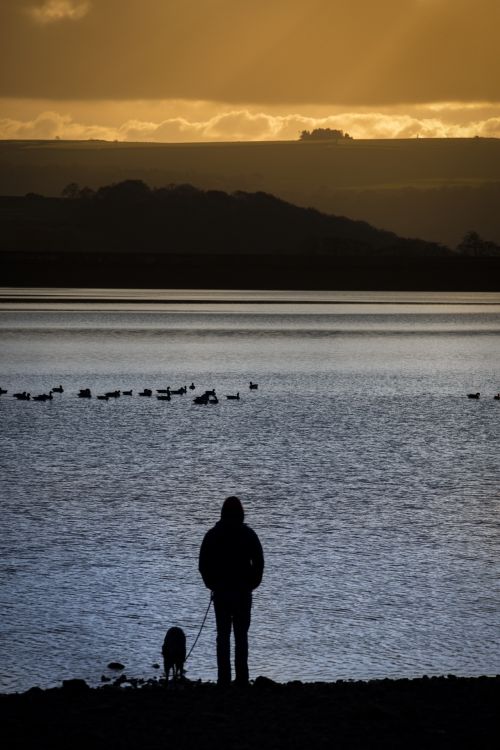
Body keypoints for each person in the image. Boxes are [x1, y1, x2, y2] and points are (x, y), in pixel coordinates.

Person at [199, 496, 264, 686]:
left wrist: (212, 584)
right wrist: (253, 583)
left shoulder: (213, 535)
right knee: (240, 636)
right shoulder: (249, 535)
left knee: (223, 636)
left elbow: (203, 564)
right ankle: (242, 679)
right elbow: (259, 563)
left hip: (223, 592)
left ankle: (224, 679)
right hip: (242, 592)